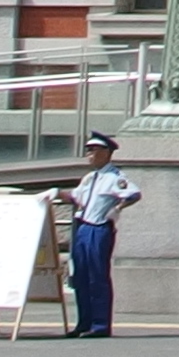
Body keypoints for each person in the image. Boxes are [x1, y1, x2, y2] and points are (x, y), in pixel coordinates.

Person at [66, 133, 139, 339]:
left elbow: (133, 194)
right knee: (80, 277)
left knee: (97, 276)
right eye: (88, 151)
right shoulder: (90, 178)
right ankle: (84, 323)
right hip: (83, 227)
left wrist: (117, 208)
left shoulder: (115, 177)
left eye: (93, 150)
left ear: (106, 153)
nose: (89, 155)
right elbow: (75, 196)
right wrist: (54, 193)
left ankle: (100, 325)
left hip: (98, 228)